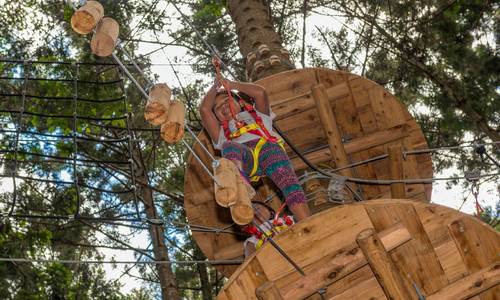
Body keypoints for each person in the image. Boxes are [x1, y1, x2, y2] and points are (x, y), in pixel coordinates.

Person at [199, 76, 310, 221]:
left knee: (289, 184)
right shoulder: (221, 134)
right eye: (218, 108)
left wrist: (231, 84)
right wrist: (215, 86)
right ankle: (240, 185)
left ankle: (307, 222)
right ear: (218, 118)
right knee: (228, 146)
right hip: (245, 159)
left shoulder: (258, 115)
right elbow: (204, 109)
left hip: (268, 149)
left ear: (240, 102)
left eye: (227, 101)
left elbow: (260, 93)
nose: (224, 107)